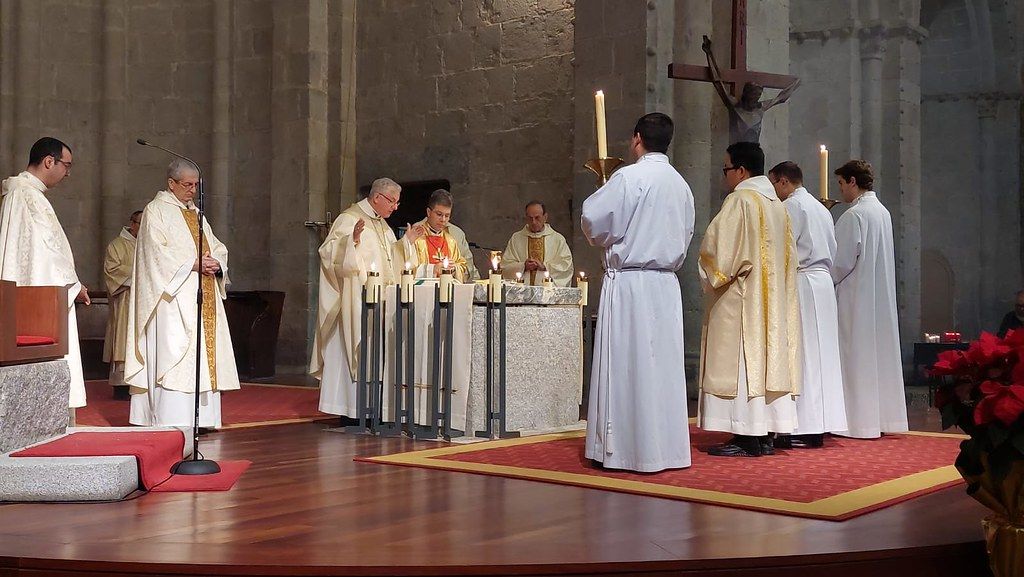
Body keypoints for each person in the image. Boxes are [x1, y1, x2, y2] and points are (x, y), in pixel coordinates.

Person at [582, 112, 695, 472]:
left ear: (636, 139)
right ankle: (666, 449)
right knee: (659, 368)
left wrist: (603, 191)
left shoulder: (629, 177)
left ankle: (627, 449)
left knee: (629, 366)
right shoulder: (681, 185)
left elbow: (594, 221)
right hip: (664, 284)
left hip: (630, 283)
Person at [697, 141, 801, 458]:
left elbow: (718, 254)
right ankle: (765, 433)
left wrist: (707, 270)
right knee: (767, 363)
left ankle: (745, 434)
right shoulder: (778, 206)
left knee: (742, 363)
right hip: (774, 304)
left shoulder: (740, 200)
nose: (725, 175)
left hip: (744, 303)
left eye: (726, 168)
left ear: (741, 170)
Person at [125, 159, 240, 428]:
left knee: (200, 356)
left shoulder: (197, 214)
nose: (192, 190)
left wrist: (216, 263)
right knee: (175, 354)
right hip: (171, 301)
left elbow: (217, 246)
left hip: (202, 295)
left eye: (196, 185)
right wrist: (192, 264)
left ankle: (202, 420)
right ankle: (171, 418)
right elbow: (153, 254)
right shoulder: (157, 211)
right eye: (187, 184)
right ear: (171, 183)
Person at [310, 178, 425, 417]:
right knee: (353, 353)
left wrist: (406, 243)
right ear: (377, 198)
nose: (395, 207)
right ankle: (349, 410)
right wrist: (350, 242)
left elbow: (389, 258)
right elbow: (327, 253)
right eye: (392, 202)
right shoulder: (349, 219)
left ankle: (373, 409)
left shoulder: (382, 225)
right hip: (355, 302)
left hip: (379, 303)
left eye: (397, 202)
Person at [0, 136, 88, 409]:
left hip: (29, 289)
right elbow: (48, 249)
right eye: (66, 165)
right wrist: (74, 285)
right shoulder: (27, 195)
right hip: (44, 293)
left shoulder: (22, 193)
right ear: (49, 161)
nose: (67, 173)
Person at [769, 162, 846, 448]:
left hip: (801, 281)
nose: (774, 191)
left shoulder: (790, 208)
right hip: (823, 284)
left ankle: (804, 426)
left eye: (775, 184)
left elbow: (781, 250)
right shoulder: (820, 209)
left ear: (785, 182)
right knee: (822, 356)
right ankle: (821, 423)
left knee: (803, 356)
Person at [831, 160, 908, 438]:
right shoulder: (883, 212)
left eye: (841, 183)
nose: (840, 190)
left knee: (854, 357)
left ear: (853, 181)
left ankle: (856, 423)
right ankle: (879, 420)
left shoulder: (855, 216)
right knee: (876, 357)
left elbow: (840, 262)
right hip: (878, 297)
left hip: (856, 296)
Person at [702, 35, 800, 144]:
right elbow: (717, 82)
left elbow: (781, 97)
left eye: (758, 96)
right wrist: (709, 54)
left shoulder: (760, 108)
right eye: (754, 95)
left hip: (754, 154)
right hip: (737, 152)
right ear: (747, 94)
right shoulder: (735, 106)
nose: (756, 99)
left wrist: (796, 83)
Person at [103, 210, 142, 401]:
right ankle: (121, 386)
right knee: (124, 340)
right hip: (126, 301)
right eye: (140, 223)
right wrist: (139, 275)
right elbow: (112, 270)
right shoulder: (117, 245)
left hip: (145, 302)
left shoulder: (150, 245)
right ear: (132, 223)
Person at [502, 201, 573, 286]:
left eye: (537, 218)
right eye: (530, 218)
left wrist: (544, 266)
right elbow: (505, 266)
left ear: (545, 217)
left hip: (547, 294)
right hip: (522, 294)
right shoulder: (516, 238)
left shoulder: (557, 239)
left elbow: (566, 267)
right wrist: (523, 266)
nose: (534, 222)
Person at [410, 189, 469, 281]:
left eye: (447, 215)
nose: (443, 220)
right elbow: (407, 268)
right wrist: (432, 269)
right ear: (429, 212)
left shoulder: (450, 241)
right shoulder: (416, 237)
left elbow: (463, 266)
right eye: (439, 214)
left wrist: (454, 269)